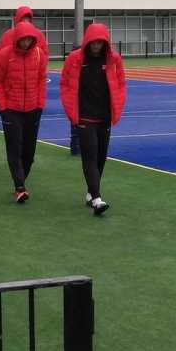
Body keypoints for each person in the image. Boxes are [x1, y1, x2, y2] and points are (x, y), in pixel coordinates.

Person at [60, 23, 127, 216]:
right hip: (84, 117)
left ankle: (90, 192)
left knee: (100, 157)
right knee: (89, 156)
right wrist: (72, 112)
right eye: (94, 42)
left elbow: (121, 83)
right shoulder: (75, 59)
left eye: (100, 42)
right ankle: (97, 198)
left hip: (104, 116)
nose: (96, 45)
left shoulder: (114, 59)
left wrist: (118, 107)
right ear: (88, 41)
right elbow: (65, 84)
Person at [0, 21, 48, 202]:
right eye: (23, 39)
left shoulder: (39, 55)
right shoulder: (4, 55)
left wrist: (40, 104)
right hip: (11, 109)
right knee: (14, 147)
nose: (26, 43)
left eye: (29, 39)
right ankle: (19, 186)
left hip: (33, 109)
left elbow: (41, 81)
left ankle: (21, 179)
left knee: (29, 151)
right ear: (17, 38)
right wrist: (3, 107)